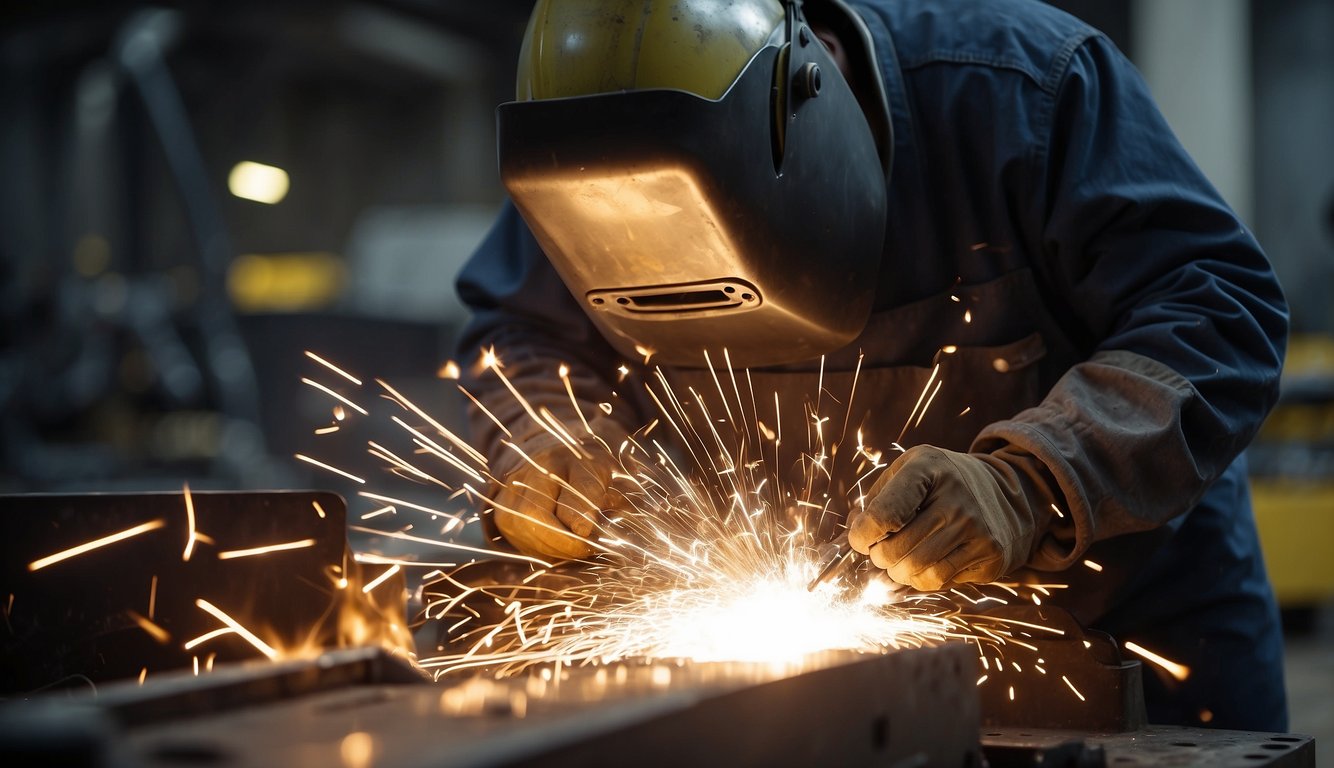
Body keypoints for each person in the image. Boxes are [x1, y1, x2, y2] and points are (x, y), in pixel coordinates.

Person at [455, 0, 1289, 732]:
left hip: (1128, 636)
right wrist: (547, 435)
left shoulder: (1023, 92)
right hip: (831, 682)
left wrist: (1032, 482)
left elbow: (1221, 314)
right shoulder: (586, 157)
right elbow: (522, 331)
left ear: (807, 94)